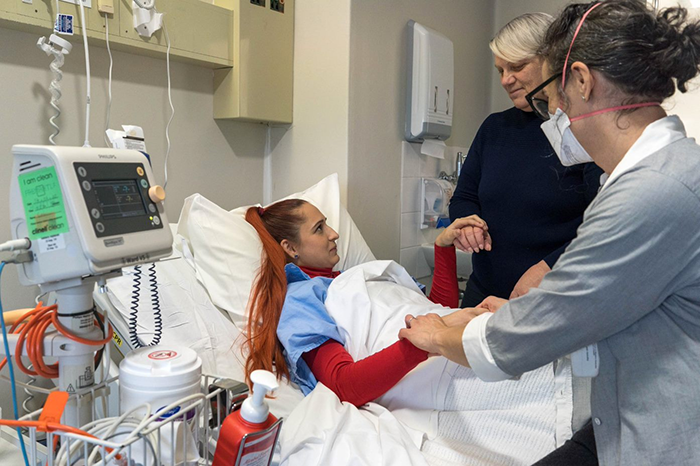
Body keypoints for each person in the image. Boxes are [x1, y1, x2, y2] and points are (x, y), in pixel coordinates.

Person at [400, 1, 700, 465]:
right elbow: (606, 303)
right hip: (615, 416)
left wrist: (436, 335)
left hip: (660, 436)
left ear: (581, 81)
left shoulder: (652, 193)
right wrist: (536, 309)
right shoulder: (658, 174)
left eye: (549, 101)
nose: (550, 117)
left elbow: (518, 342)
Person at [242, 199, 482, 406]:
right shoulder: (301, 297)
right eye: (319, 228)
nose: (333, 233)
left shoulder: (353, 276)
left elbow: (434, 309)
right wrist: (425, 341)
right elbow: (342, 383)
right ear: (291, 247)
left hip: (453, 339)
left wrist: (443, 247)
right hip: (436, 367)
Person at [450, 13, 603, 307]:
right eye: (500, 70)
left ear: (551, 61)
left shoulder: (579, 128)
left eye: (517, 66)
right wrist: (467, 222)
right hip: (484, 293)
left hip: (550, 295)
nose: (506, 80)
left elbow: (603, 223)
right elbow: (464, 197)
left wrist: (548, 266)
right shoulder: (494, 129)